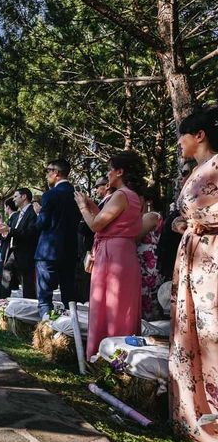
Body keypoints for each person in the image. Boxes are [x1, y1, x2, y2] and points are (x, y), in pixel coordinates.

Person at [169, 106, 218, 442]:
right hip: (192, 255)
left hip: (212, 254)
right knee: (190, 330)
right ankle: (192, 410)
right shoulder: (197, 171)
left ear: (199, 135)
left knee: (211, 328)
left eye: (183, 135)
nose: (179, 143)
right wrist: (183, 225)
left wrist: (204, 222)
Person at [75, 151, 144, 360]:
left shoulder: (121, 195)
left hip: (111, 255)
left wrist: (81, 206)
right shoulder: (133, 196)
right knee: (122, 306)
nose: (108, 174)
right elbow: (111, 221)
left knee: (107, 304)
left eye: (109, 170)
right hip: (124, 253)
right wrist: (92, 206)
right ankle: (120, 358)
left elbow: (96, 225)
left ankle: (104, 354)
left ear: (120, 172)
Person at [35, 159, 81, 320]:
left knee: (45, 297)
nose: (47, 175)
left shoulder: (50, 194)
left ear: (56, 173)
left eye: (48, 171)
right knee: (69, 296)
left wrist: (38, 213)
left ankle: (47, 328)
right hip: (69, 250)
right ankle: (70, 330)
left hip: (48, 251)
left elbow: (42, 223)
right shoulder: (77, 195)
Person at [156, 160, 196, 281]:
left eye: (184, 173)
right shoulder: (182, 203)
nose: (180, 178)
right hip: (174, 266)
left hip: (193, 266)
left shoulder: (203, 202)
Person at [0, 188, 38, 302]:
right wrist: (4, 232)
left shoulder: (33, 212)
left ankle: (29, 313)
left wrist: (9, 230)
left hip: (26, 254)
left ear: (24, 197)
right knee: (5, 278)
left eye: (15, 196)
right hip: (13, 252)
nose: (13, 199)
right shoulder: (16, 215)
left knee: (27, 285)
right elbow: (12, 232)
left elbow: (30, 233)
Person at [136, 189, 164, 320]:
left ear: (148, 201)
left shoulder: (151, 216)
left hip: (148, 265)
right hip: (143, 263)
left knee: (147, 298)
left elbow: (134, 236)